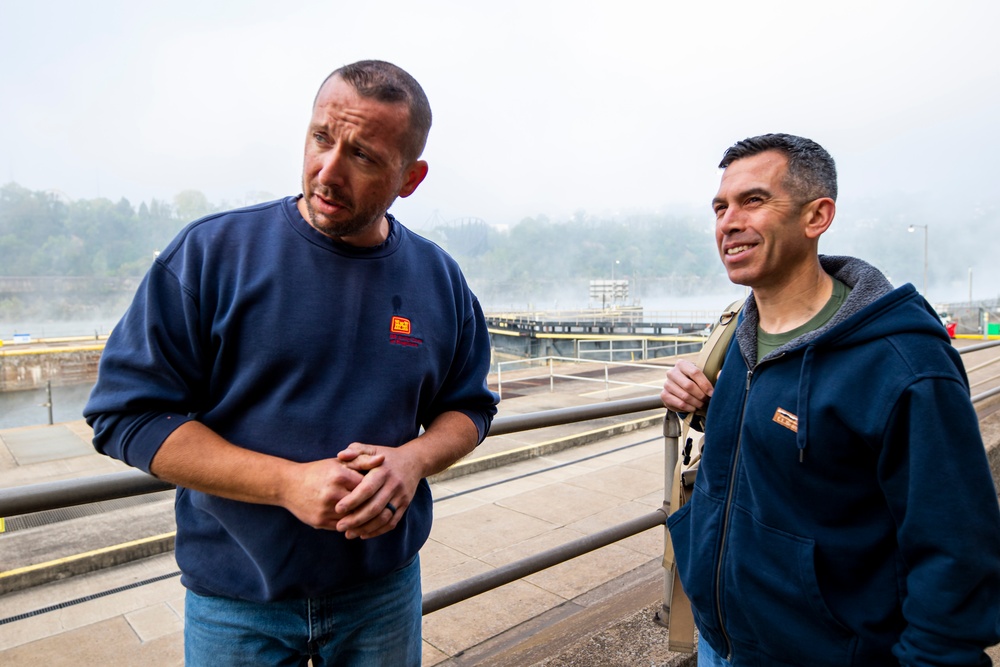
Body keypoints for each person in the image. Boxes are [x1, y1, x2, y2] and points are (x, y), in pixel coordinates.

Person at [84, 60, 498, 666]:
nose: (327, 171)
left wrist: (412, 461)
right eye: (321, 138)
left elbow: (469, 406)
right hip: (235, 601)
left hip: (382, 594)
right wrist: (287, 484)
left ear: (410, 178)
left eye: (362, 156)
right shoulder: (211, 255)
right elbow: (126, 418)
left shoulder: (439, 279)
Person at [660, 133, 1000, 666]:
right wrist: (697, 394)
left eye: (754, 201)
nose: (729, 222)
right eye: (721, 207)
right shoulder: (736, 337)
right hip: (720, 643)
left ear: (817, 216)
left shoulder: (903, 366)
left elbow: (956, 553)